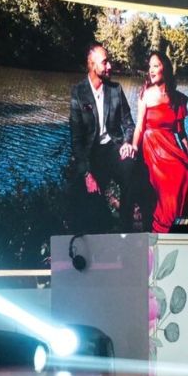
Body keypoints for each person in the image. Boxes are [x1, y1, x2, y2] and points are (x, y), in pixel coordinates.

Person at [68, 43, 141, 234]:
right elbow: (76, 139)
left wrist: (127, 143)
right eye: (105, 62)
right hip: (91, 154)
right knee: (81, 193)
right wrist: (86, 173)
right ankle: (91, 231)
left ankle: (126, 227)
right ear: (92, 65)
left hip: (113, 147)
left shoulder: (115, 90)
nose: (109, 66)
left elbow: (129, 124)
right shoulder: (78, 93)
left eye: (109, 62)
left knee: (130, 168)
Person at [131, 50, 188, 233]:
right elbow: (139, 127)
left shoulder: (176, 98)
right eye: (150, 67)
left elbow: (182, 134)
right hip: (152, 147)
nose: (151, 70)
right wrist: (134, 147)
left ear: (166, 69)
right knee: (173, 180)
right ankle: (164, 229)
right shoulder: (145, 95)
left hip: (170, 146)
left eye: (156, 66)